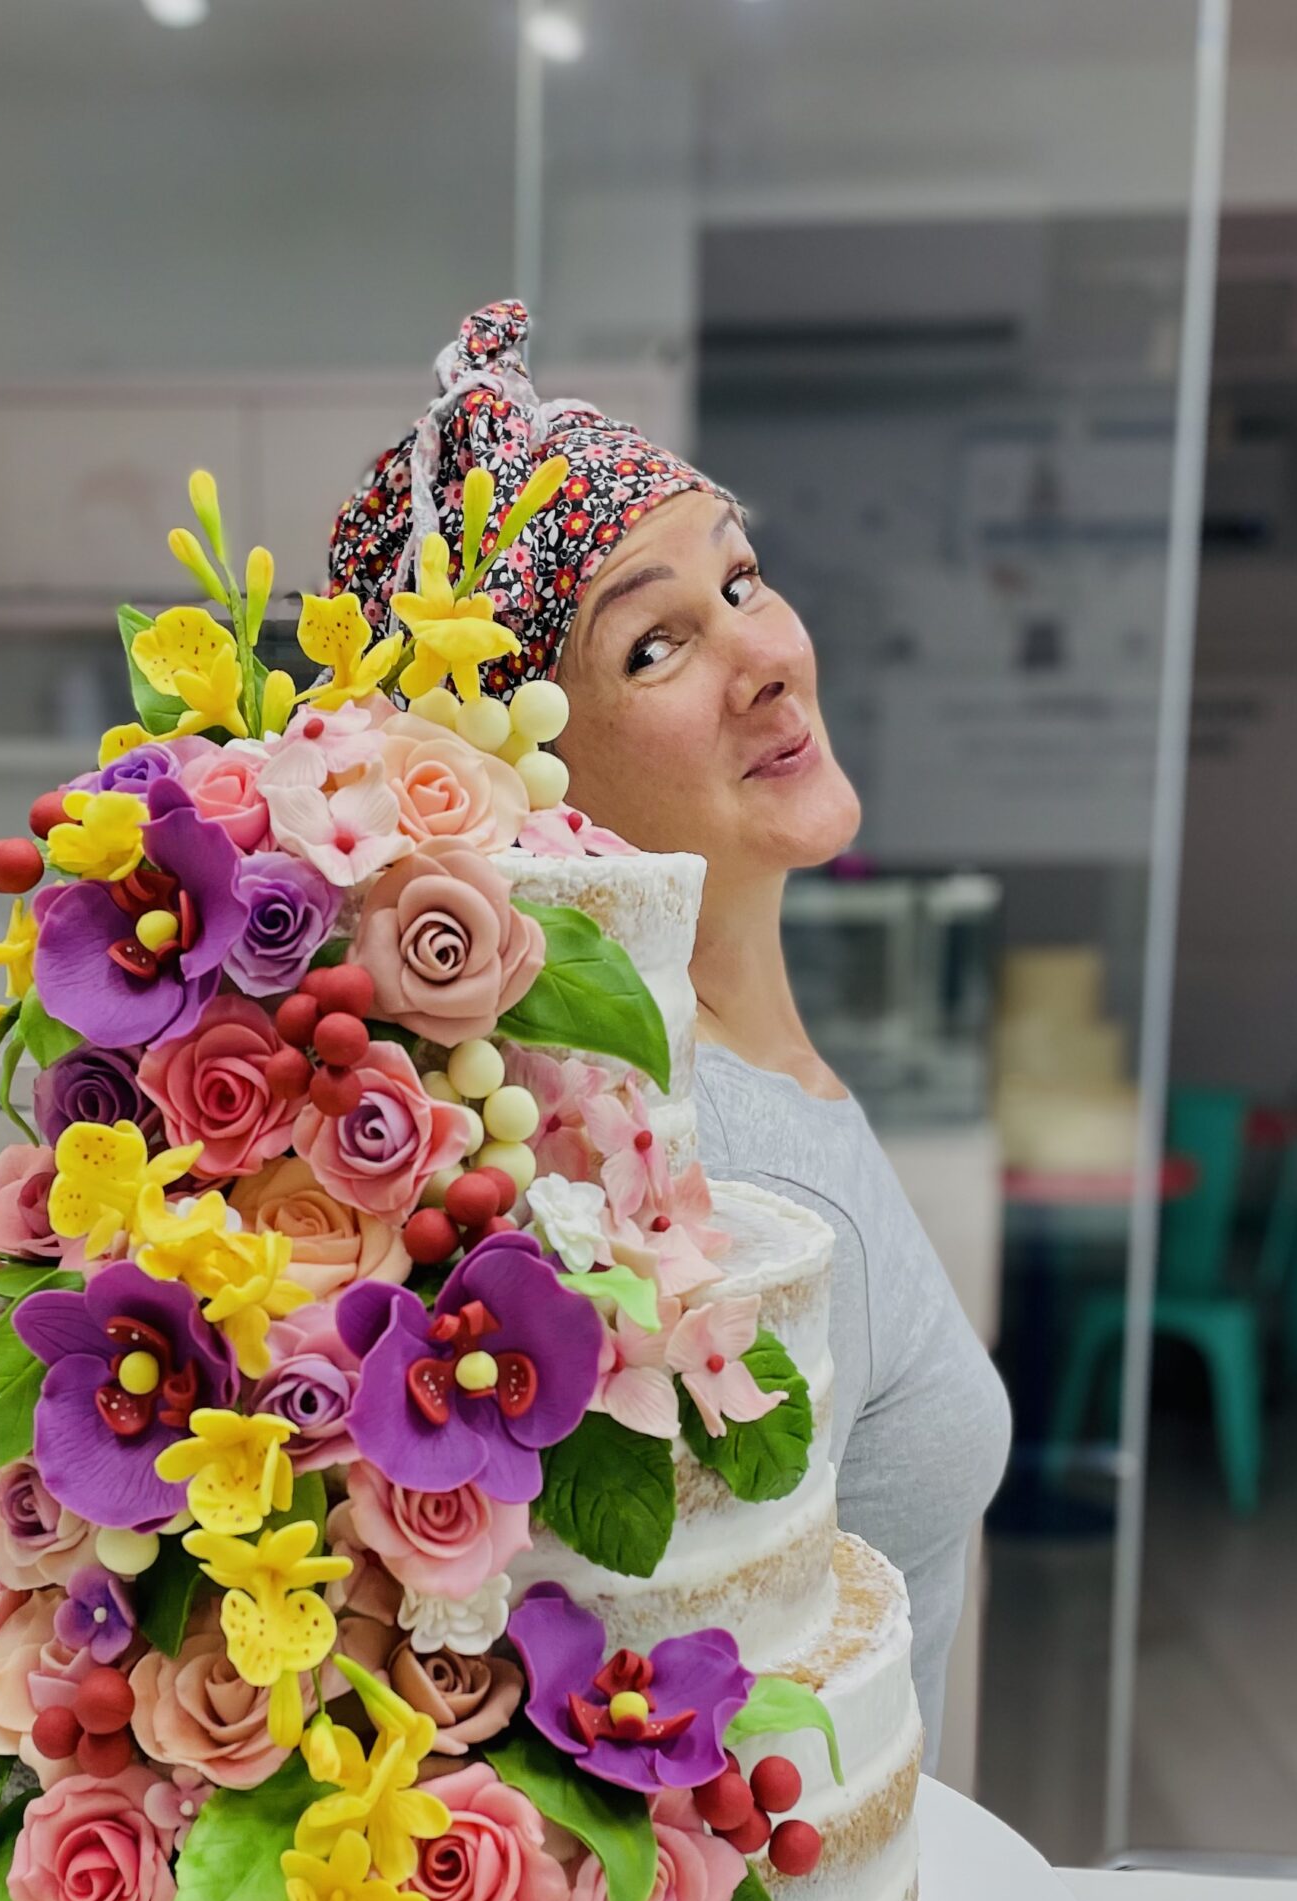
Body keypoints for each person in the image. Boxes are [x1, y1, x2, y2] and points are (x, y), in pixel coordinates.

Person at [327, 300, 1010, 1768]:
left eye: (743, 578)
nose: (764, 657)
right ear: (521, 777)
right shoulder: (710, 1186)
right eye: (654, 647)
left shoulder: (743, 1089)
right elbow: (689, 1748)